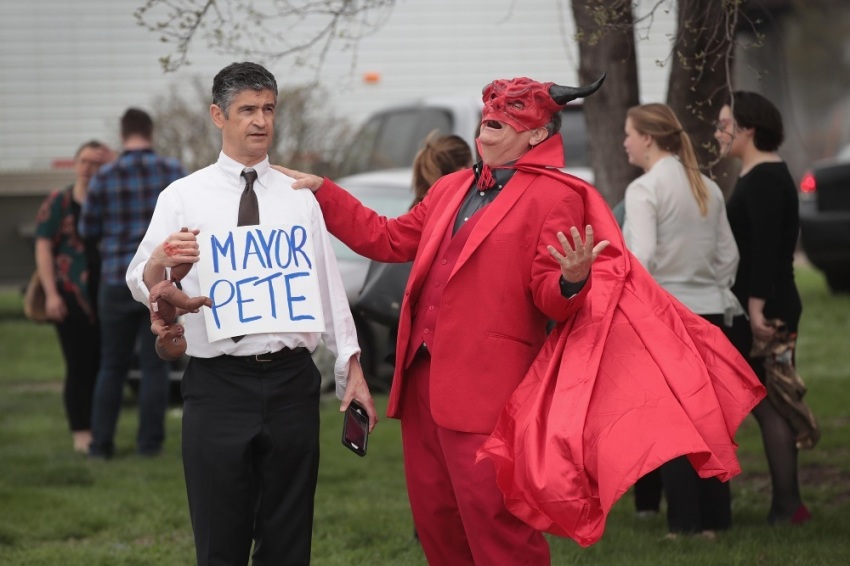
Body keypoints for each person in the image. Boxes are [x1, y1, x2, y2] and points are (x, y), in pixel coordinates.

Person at [279, 74, 765, 561]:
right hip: (421, 382)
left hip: (487, 391)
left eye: (505, 116)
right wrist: (324, 191)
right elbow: (386, 238)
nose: (488, 121)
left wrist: (573, 279)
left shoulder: (557, 197)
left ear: (536, 134)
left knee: (497, 530)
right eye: (488, 112)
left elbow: (549, 298)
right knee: (438, 526)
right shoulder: (450, 187)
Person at [126, 61, 377, 565]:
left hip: (290, 382)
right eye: (247, 110)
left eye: (268, 109)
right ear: (218, 116)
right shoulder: (183, 196)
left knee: (289, 538)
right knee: (221, 536)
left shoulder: (298, 195)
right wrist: (160, 267)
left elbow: (326, 285)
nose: (260, 121)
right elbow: (141, 279)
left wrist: (350, 366)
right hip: (218, 385)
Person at [622, 103, 743, 538]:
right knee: (710, 420)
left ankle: (684, 525)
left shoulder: (644, 190)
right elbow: (729, 256)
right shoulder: (707, 186)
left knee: (672, 424)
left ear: (649, 139)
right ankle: (717, 521)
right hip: (710, 313)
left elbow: (642, 257)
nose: (625, 142)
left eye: (629, 134)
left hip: (666, 318)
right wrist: (708, 287)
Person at [714, 91, 811, 526]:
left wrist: (755, 310)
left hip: (769, 309)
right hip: (764, 303)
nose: (718, 132)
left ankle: (788, 505)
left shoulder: (767, 177)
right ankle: (786, 505)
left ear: (748, 128)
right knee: (766, 400)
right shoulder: (757, 174)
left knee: (769, 402)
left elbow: (771, 250)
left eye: (724, 124)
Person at [79, 108, 187, 459]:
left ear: (123, 134)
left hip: (114, 278)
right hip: (157, 282)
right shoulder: (172, 172)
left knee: (112, 365)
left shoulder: (105, 176)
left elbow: (87, 230)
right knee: (155, 365)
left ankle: (101, 446)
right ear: (150, 132)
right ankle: (149, 445)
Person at [34, 140, 112, 453]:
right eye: (85, 162)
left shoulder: (109, 200)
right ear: (76, 164)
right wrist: (51, 294)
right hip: (70, 295)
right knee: (79, 365)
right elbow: (43, 247)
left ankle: (99, 428)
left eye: (98, 164)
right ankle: (81, 431)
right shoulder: (59, 201)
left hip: (106, 294)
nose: (91, 169)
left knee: (101, 365)